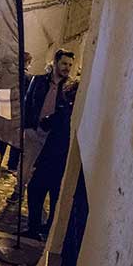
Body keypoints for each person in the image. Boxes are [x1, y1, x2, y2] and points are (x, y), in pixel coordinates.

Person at [11, 49, 76, 203]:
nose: (67, 67)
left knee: (42, 172)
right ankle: (18, 191)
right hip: (34, 131)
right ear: (55, 63)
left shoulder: (70, 87)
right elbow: (27, 103)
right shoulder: (38, 80)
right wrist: (25, 127)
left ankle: (36, 201)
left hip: (52, 137)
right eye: (64, 63)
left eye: (70, 65)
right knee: (25, 166)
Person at [24, 79, 79, 239]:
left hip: (52, 161)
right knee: (55, 198)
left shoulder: (65, 111)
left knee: (35, 190)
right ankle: (48, 229)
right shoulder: (73, 113)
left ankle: (35, 228)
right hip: (63, 163)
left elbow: (46, 124)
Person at [7, 51, 33, 173]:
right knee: (16, 141)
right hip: (19, 111)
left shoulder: (11, 74)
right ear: (27, 63)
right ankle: (12, 165)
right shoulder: (29, 78)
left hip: (7, 108)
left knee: (2, 139)